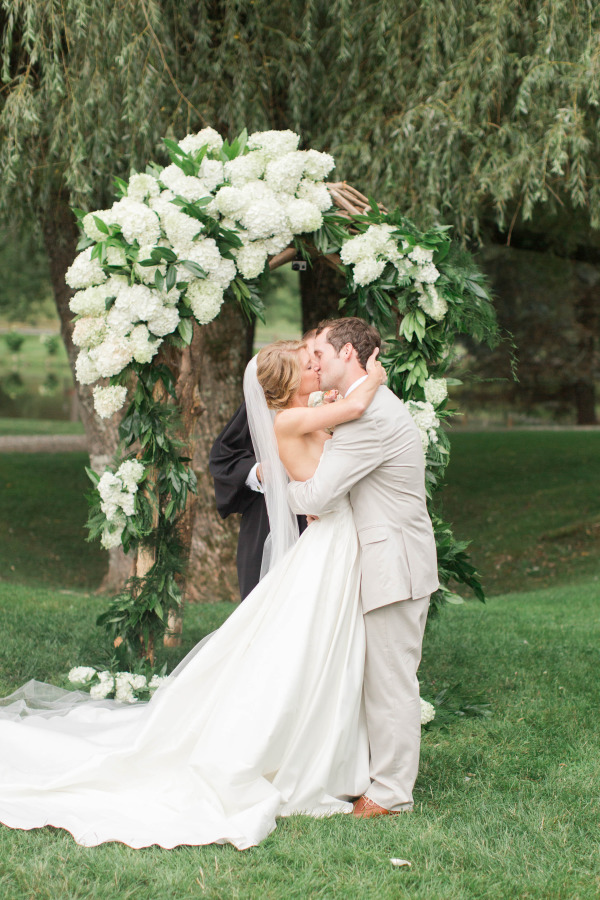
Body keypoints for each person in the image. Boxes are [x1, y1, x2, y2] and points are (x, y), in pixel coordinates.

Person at [0, 337, 387, 851]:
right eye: (307, 364)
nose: (317, 366)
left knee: (312, 643)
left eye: (317, 358)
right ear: (290, 382)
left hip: (329, 542)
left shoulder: (308, 413)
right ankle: (300, 749)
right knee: (304, 644)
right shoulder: (291, 420)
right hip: (329, 539)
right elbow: (352, 414)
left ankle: (325, 739)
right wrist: (374, 377)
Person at [288, 317, 439, 818]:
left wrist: (274, 483)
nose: (316, 363)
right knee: (382, 678)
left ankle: (391, 794)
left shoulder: (368, 416)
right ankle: (375, 777)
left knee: (392, 682)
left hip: (394, 561)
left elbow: (320, 494)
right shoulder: (364, 406)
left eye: (323, 355)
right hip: (389, 555)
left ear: (349, 354)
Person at [208, 331, 316, 599]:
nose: (316, 366)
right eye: (310, 363)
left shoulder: (329, 399)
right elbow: (223, 456)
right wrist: (257, 472)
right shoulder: (261, 405)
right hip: (267, 517)